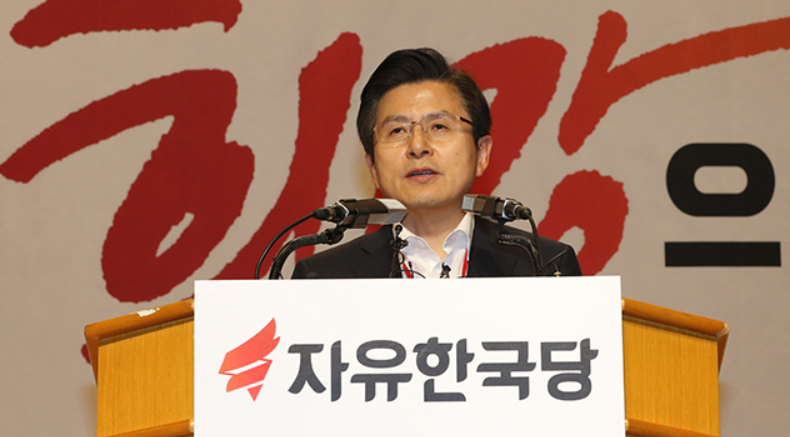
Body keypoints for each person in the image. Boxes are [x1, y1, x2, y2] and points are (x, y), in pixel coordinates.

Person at [292, 48, 581, 279]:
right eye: (397, 131)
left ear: (481, 154)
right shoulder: (324, 278)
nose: (417, 146)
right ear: (373, 168)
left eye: (439, 126)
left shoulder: (544, 265)